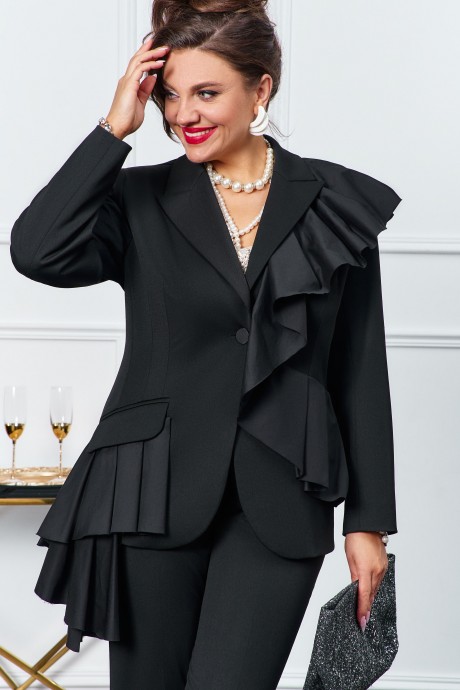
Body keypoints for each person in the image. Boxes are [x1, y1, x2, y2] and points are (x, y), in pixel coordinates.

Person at [9, 0, 401, 688]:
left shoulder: (334, 201)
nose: (182, 114)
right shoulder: (139, 198)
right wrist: (113, 129)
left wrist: (368, 521)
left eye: (207, 93)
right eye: (170, 95)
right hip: (149, 493)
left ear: (261, 89)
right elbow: (37, 251)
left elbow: (359, 364)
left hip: (283, 495)